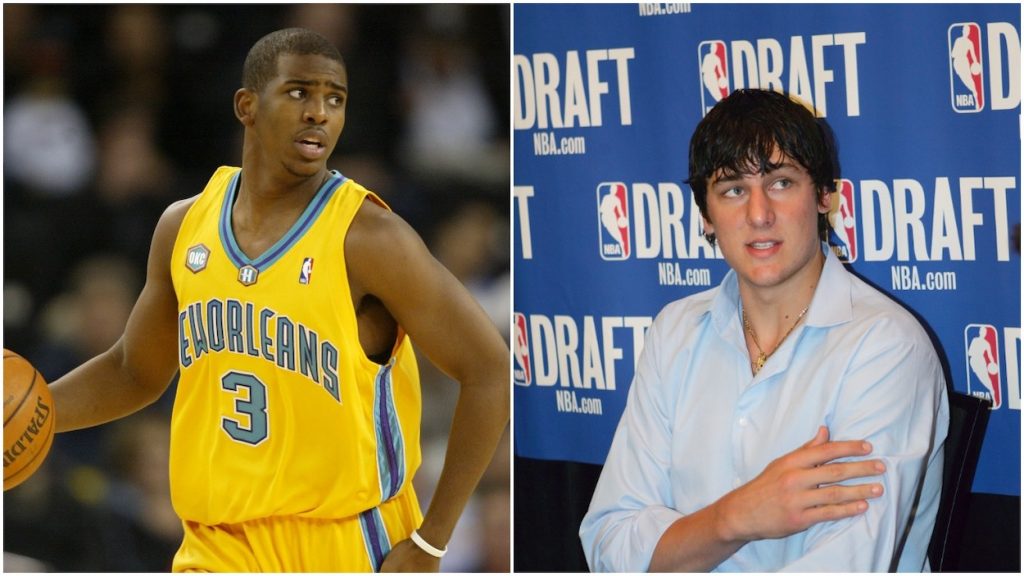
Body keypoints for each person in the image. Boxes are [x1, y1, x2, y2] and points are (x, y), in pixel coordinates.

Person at [48, 28, 509, 572]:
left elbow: (490, 370)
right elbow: (134, 371)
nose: (319, 112)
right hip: (216, 545)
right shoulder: (183, 226)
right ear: (247, 105)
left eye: (334, 99)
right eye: (299, 93)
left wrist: (432, 540)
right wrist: (36, 414)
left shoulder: (370, 238)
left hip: (344, 545)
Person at [579, 89, 948, 572]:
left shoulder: (885, 348)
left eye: (780, 183)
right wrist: (738, 517)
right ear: (707, 218)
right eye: (733, 189)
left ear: (823, 196)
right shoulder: (675, 331)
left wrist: (688, 538)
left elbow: (849, 566)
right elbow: (610, 546)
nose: (758, 215)